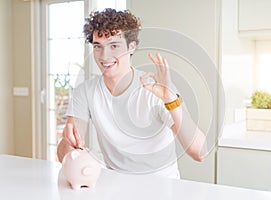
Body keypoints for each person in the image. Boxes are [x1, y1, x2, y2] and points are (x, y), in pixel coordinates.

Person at [57, 8, 207, 179]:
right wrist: (69, 143)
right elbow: (64, 155)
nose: (105, 56)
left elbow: (199, 153)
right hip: (116, 185)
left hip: (162, 186)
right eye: (98, 46)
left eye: (114, 46)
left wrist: (171, 100)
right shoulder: (85, 91)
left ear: (131, 46)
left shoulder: (156, 89)